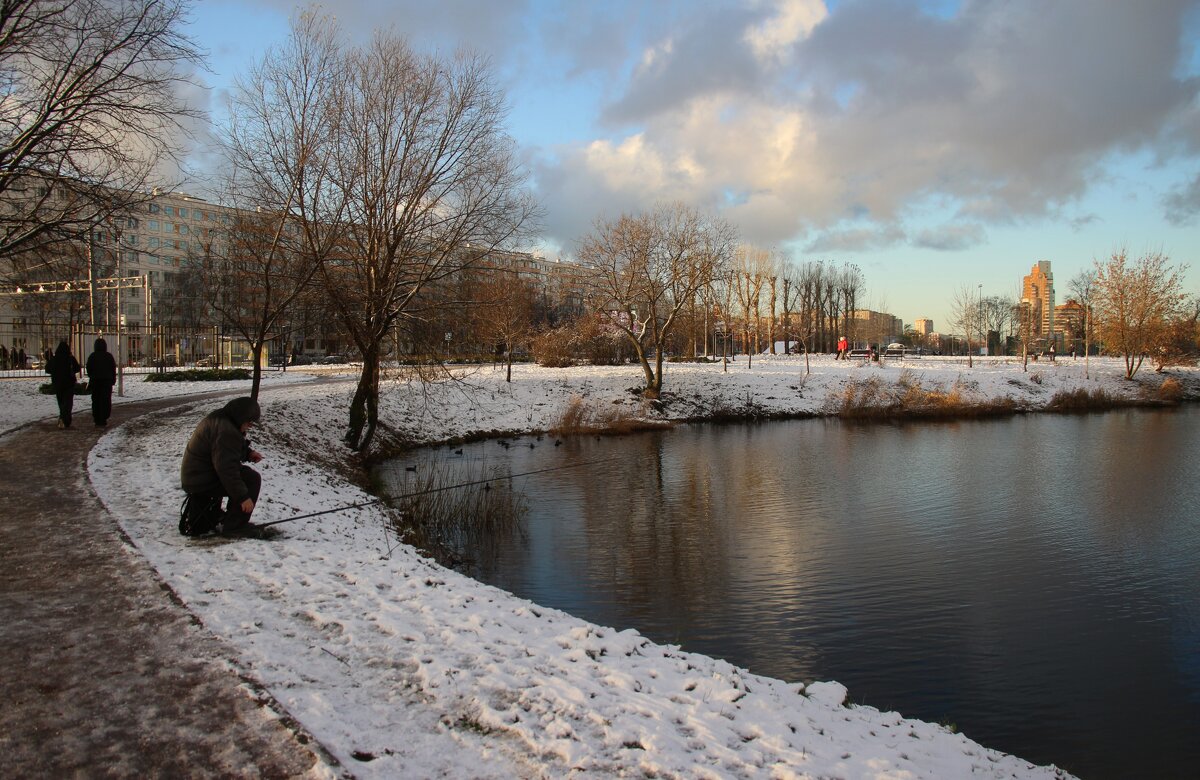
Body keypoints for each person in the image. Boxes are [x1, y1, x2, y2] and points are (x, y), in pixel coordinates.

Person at [179, 397, 265, 537]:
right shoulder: (226, 431)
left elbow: (227, 449)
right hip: (201, 480)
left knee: (246, 475)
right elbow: (227, 470)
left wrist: (248, 453)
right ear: (240, 417)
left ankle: (230, 520)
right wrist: (243, 497)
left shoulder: (221, 419)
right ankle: (235, 527)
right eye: (249, 422)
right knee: (251, 479)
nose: (250, 426)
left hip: (197, 475)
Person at [45, 341, 81, 429]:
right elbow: (77, 368)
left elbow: (47, 369)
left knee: (61, 401)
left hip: (57, 383)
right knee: (68, 402)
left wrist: (55, 372)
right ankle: (65, 420)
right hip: (69, 383)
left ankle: (63, 419)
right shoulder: (70, 358)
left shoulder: (54, 359)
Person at [86, 338, 118, 427]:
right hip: (106, 382)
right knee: (105, 400)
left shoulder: (92, 356)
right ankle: (104, 417)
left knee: (96, 400)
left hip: (95, 381)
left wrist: (92, 376)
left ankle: (97, 418)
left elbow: (88, 368)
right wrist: (113, 379)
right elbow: (113, 369)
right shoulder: (108, 356)